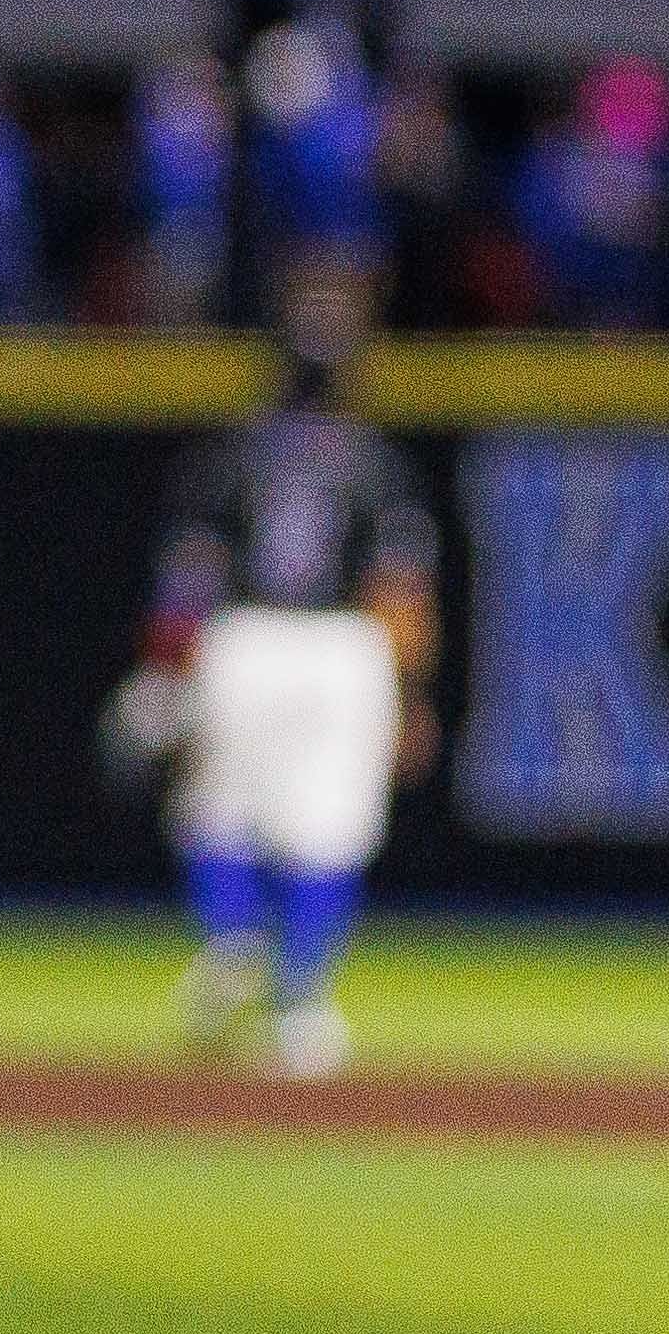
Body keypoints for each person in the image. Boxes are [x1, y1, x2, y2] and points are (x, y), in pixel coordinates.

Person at [115, 306, 439, 1078]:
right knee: (328, 832)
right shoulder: (375, 464)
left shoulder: (231, 457)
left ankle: (232, 937)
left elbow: (185, 586)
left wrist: (165, 673)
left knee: (216, 815)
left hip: (244, 640)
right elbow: (399, 592)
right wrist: (410, 692)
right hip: (341, 649)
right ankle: (300, 1007)